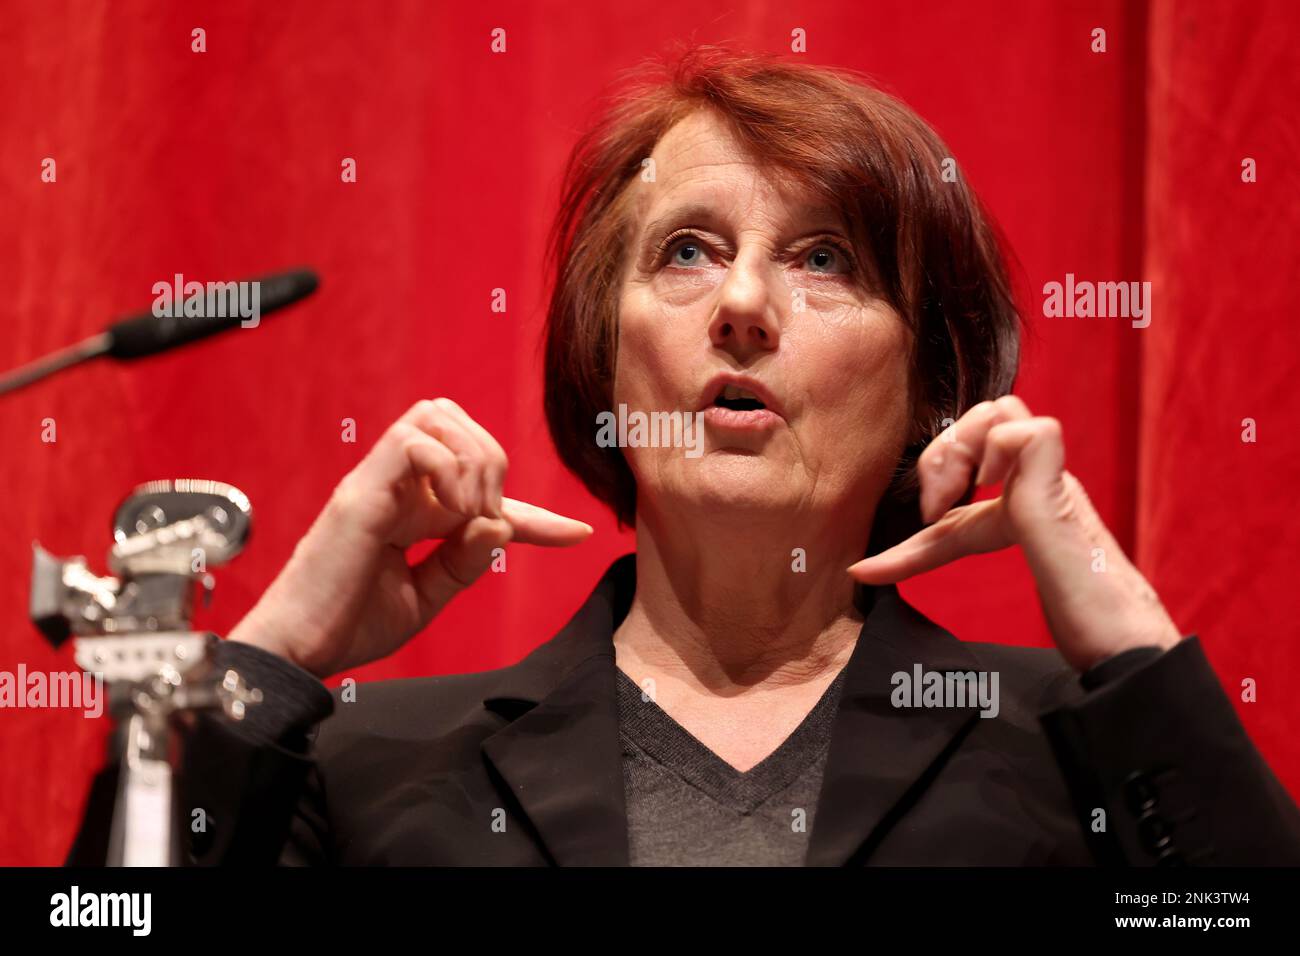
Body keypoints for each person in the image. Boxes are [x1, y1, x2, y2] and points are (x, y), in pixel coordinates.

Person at [71, 45, 1300, 866]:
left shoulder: (1073, 750)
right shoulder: (369, 766)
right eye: (687, 251)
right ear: (602, 359)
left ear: (932, 383)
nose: (746, 303)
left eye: (827, 260)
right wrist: (269, 657)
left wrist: (1129, 643)